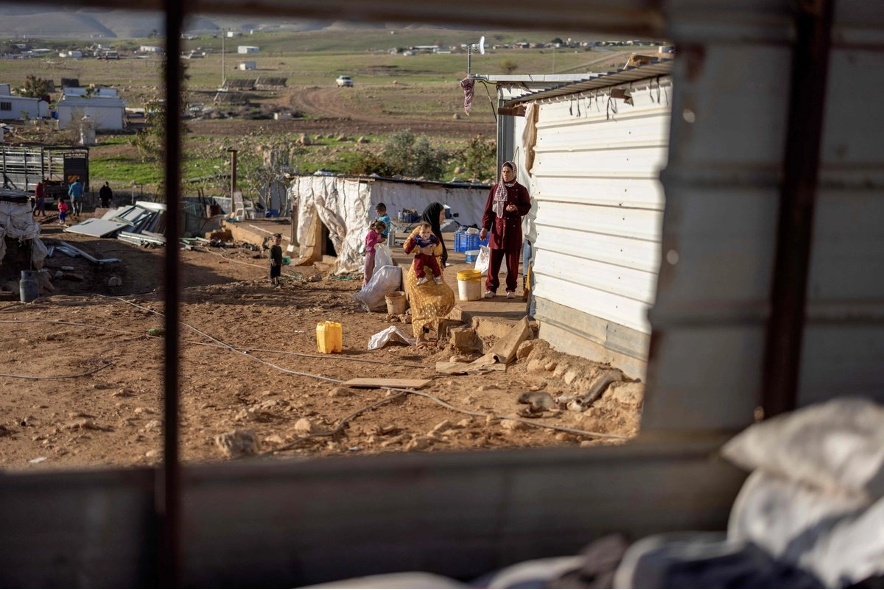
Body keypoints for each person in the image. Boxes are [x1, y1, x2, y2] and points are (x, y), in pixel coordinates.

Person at [403, 202, 454, 346]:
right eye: (442, 214)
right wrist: (420, 250)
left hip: (434, 274)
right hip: (421, 276)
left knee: (432, 303)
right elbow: (406, 246)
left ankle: (422, 337)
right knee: (426, 305)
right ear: (434, 214)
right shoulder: (422, 229)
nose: (444, 217)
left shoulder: (434, 230)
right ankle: (420, 338)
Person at [480, 161, 531, 299]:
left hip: (512, 232)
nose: (505, 174)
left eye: (508, 172)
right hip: (497, 231)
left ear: (514, 172)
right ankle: (491, 288)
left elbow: (527, 207)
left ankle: (511, 289)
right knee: (493, 262)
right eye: (503, 172)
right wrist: (485, 227)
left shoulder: (521, 190)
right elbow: (489, 211)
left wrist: (516, 209)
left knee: (512, 263)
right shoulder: (496, 189)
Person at [405, 221, 443, 286]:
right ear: (419, 232)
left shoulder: (431, 237)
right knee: (417, 265)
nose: (426, 234)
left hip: (430, 256)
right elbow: (410, 244)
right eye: (423, 232)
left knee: (435, 265)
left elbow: (437, 240)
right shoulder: (417, 238)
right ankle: (421, 277)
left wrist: (434, 245)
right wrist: (407, 250)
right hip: (421, 255)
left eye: (428, 232)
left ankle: (437, 276)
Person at [363, 220, 385, 287]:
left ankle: (370, 285)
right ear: (376, 228)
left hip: (375, 253)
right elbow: (369, 243)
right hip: (370, 253)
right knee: (368, 269)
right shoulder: (371, 233)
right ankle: (366, 287)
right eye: (380, 230)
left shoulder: (378, 234)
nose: (381, 232)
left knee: (373, 269)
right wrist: (378, 241)